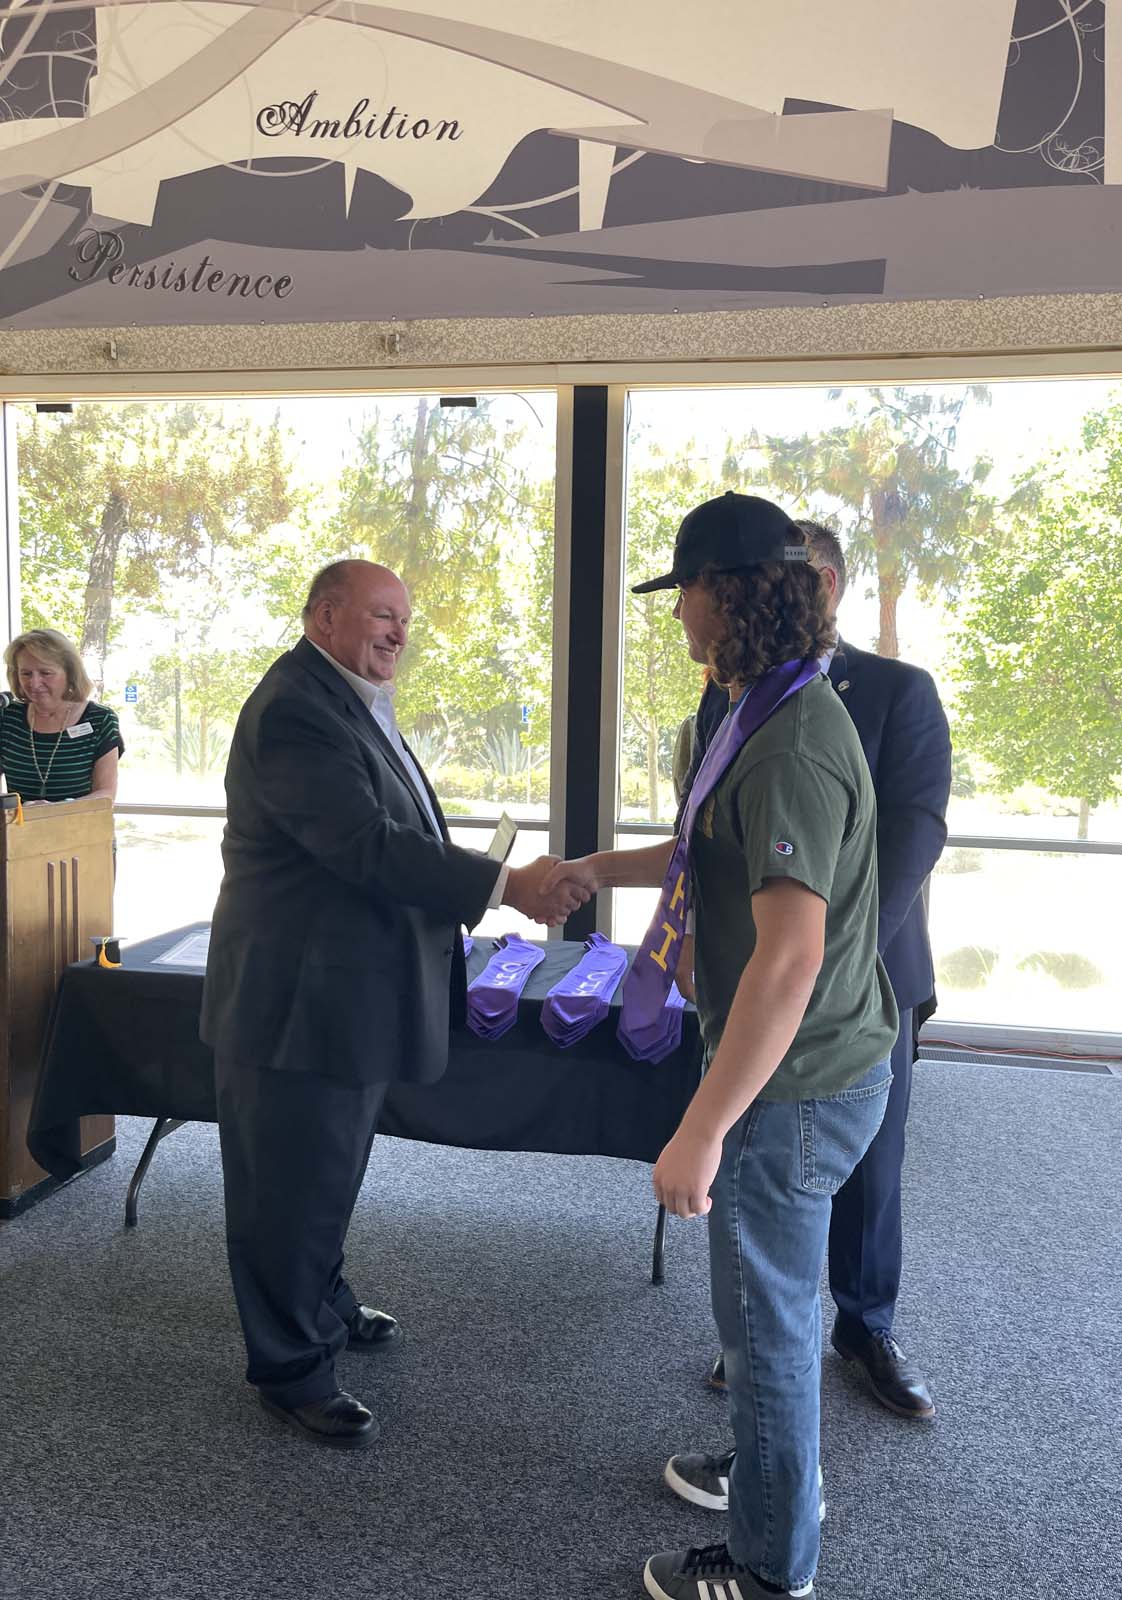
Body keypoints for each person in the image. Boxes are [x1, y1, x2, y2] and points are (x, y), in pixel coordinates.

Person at [547, 491, 899, 1600]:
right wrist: (596, 873)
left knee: (767, 1330)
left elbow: (790, 957)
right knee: (760, 1324)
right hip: (793, 1071)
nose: (681, 618)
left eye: (685, 595)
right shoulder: (752, 707)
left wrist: (703, 1129)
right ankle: (767, 1474)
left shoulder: (795, 737)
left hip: (790, 1090)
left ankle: (765, 1568)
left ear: (726, 593)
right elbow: (707, 842)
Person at [199, 559, 584, 1449]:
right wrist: (504, 885)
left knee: (325, 1170)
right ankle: (291, 1368)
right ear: (325, 616)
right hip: (296, 1006)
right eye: (381, 615)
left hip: (343, 999)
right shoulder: (295, 708)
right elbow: (365, 845)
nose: (398, 633)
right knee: (286, 1188)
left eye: (403, 619)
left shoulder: (346, 698)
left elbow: (396, 832)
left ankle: (321, 1301)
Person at [680, 520, 951, 1418]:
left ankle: (865, 1326)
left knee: (870, 1169)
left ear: (823, 583)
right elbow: (714, 835)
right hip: (777, 970)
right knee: (776, 1205)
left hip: (860, 977)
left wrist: (834, 958)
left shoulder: (893, 693)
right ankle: (767, 1341)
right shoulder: (736, 695)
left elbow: (916, 834)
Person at [1, 629, 123, 803]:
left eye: (45, 673)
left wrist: (53, 811)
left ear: (69, 673)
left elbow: (105, 795)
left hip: (79, 827)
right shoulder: (7, 716)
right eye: (26, 674)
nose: (34, 683)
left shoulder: (100, 720)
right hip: (18, 829)